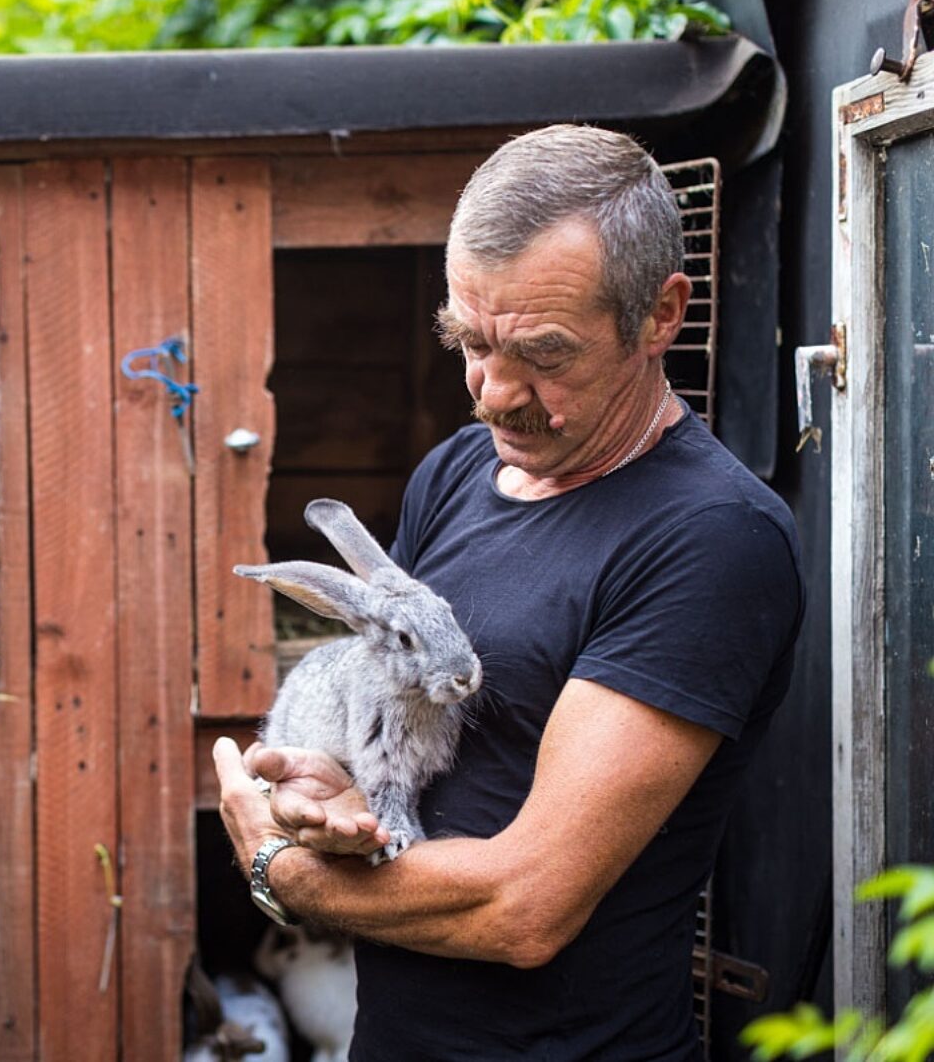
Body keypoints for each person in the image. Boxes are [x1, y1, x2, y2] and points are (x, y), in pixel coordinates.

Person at [212, 124, 804, 1060]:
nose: (491, 393)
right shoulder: (457, 470)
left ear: (661, 315)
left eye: (544, 354)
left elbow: (525, 909)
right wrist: (335, 799)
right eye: (469, 341)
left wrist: (276, 866)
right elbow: (395, 717)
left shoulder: (710, 540)